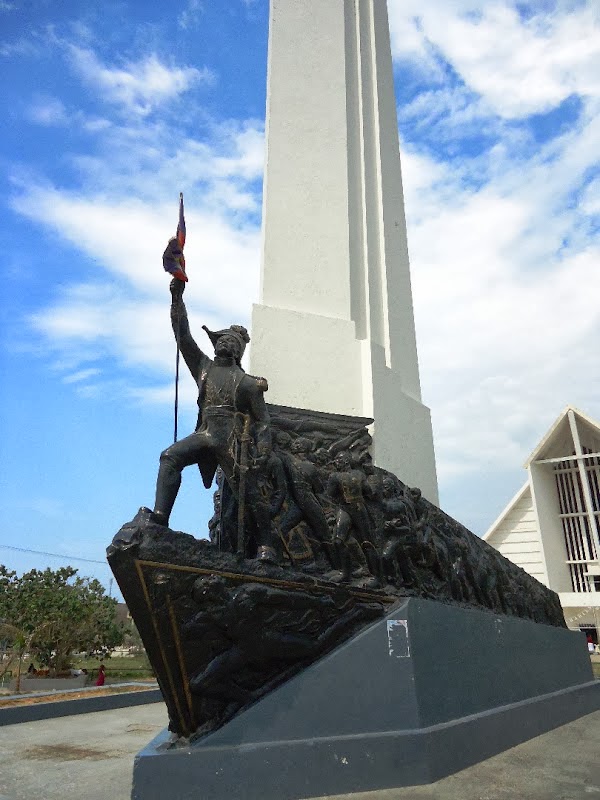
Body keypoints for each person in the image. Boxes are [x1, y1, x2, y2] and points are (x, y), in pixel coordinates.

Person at [151, 280, 273, 555]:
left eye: (232, 341)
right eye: (223, 339)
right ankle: (161, 515)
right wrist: (176, 298)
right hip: (206, 435)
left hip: (231, 440)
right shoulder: (203, 367)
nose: (226, 342)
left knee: (249, 490)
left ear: (239, 351)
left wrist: (263, 450)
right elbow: (183, 337)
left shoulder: (248, 384)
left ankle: (266, 543)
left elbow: (263, 420)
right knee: (169, 457)